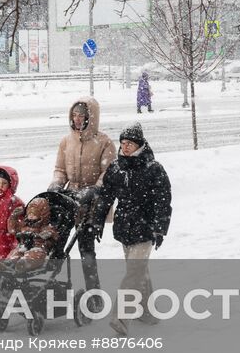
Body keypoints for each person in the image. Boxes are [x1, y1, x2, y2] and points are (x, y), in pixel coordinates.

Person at [92, 123, 172, 335]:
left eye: (130, 143)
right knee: (139, 272)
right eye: (123, 143)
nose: (125, 147)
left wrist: (159, 228)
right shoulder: (117, 168)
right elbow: (105, 196)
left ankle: (120, 317)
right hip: (125, 228)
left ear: (140, 145)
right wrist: (98, 220)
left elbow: (162, 202)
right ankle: (148, 313)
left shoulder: (153, 169)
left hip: (144, 230)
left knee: (133, 273)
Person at [47, 97, 117, 293]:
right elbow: (60, 169)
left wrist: (95, 188)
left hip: (91, 202)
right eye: (74, 115)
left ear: (91, 118)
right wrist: (56, 183)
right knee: (56, 242)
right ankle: (46, 284)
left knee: (86, 248)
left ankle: (93, 292)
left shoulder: (104, 142)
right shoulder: (66, 141)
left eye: (82, 116)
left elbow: (109, 173)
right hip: (69, 198)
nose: (77, 119)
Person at [2, 197, 60, 273]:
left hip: (38, 247)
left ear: (42, 215)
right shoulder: (24, 225)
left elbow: (53, 233)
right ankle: (9, 263)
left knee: (34, 255)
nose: (31, 215)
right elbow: (12, 229)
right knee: (16, 252)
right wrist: (13, 217)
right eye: (30, 213)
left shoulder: (45, 226)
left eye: (35, 213)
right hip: (24, 246)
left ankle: (24, 263)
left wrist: (44, 235)